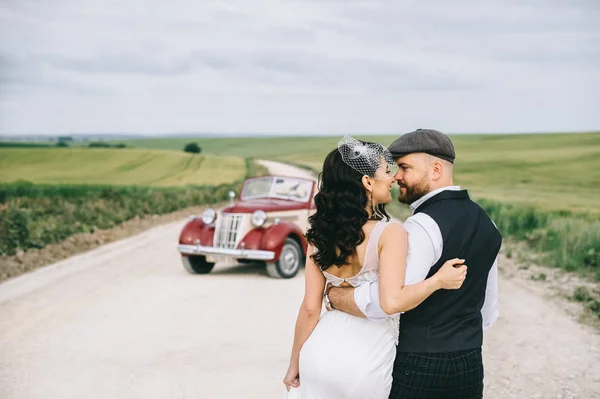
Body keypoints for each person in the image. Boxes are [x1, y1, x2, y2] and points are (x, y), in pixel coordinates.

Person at [282, 136, 468, 398]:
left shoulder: (319, 235)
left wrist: (294, 363)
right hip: (363, 359)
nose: (393, 178)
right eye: (386, 171)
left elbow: (310, 309)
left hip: (317, 353)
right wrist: (439, 280)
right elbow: (392, 302)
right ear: (367, 182)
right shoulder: (390, 233)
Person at [328, 129, 502, 399]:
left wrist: (337, 296)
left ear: (435, 169)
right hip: (469, 362)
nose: (396, 176)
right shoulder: (487, 222)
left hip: (420, 363)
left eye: (405, 167)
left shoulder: (421, 225)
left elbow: (390, 301)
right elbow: (488, 309)